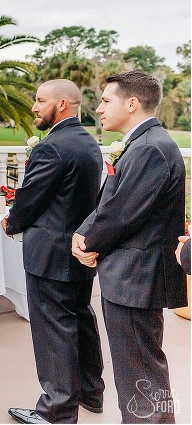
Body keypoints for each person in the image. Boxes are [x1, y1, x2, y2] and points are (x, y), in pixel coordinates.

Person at [72, 71, 187, 423]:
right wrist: (85, 233)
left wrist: (86, 241)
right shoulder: (144, 142)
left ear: (132, 103)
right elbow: (114, 205)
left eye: (106, 100)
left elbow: (124, 213)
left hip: (137, 278)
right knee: (135, 369)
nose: (99, 108)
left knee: (140, 373)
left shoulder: (151, 148)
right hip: (131, 276)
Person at [1, 80, 105, 425]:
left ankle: (56, 411)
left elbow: (30, 198)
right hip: (78, 249)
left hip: (50, 254)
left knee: (53, 330)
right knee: (81, 318)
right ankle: (91, 392)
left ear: (62, 105)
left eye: (39, 100)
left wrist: (12, 222)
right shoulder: (89, 143)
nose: (33, 106)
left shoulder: (52, 147)